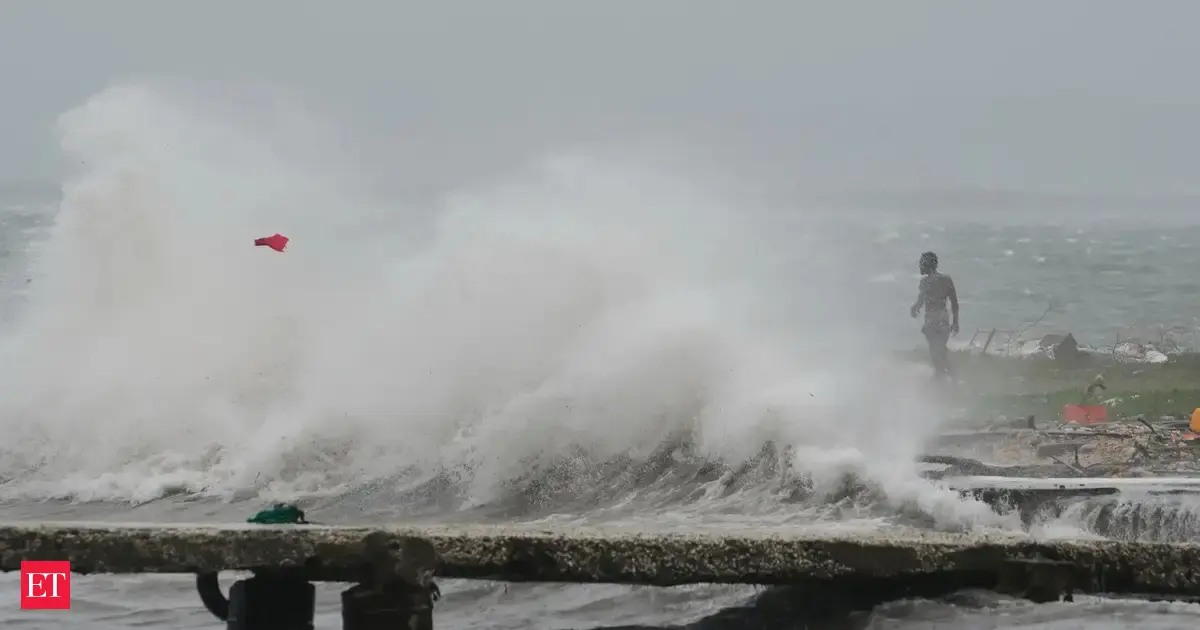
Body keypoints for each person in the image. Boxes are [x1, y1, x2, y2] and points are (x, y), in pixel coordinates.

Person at [910, 251, 959, 378]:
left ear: (927, 265)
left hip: (932, 322)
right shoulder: (946, 279)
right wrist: (955, 322)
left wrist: (914, 308)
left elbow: (920, 301)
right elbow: (954, 303)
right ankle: (948, 376)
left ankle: (944, 376)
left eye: (922, 264)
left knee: (936, 351)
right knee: (940, 350)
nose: (920, 266)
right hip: (943, 320)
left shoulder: (925, 282)